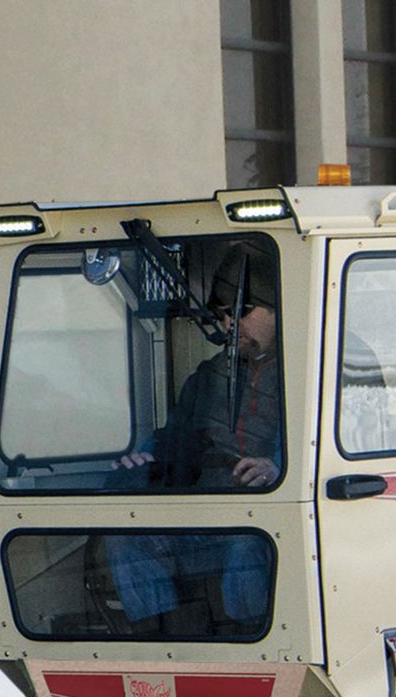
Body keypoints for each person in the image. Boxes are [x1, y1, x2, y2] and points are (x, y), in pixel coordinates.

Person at [105, 247, 283, 631]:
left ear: (278, 308)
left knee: (246, 543)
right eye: (222, 313)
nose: (229, 322)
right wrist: (144, 458)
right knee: (127, 541)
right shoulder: (209, 377)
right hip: (206, 517)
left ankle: (251, 645)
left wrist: (277, 469)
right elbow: (174, 438)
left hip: (272, 521)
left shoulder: (312, 371)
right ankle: (163, 645)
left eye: (242, 310)